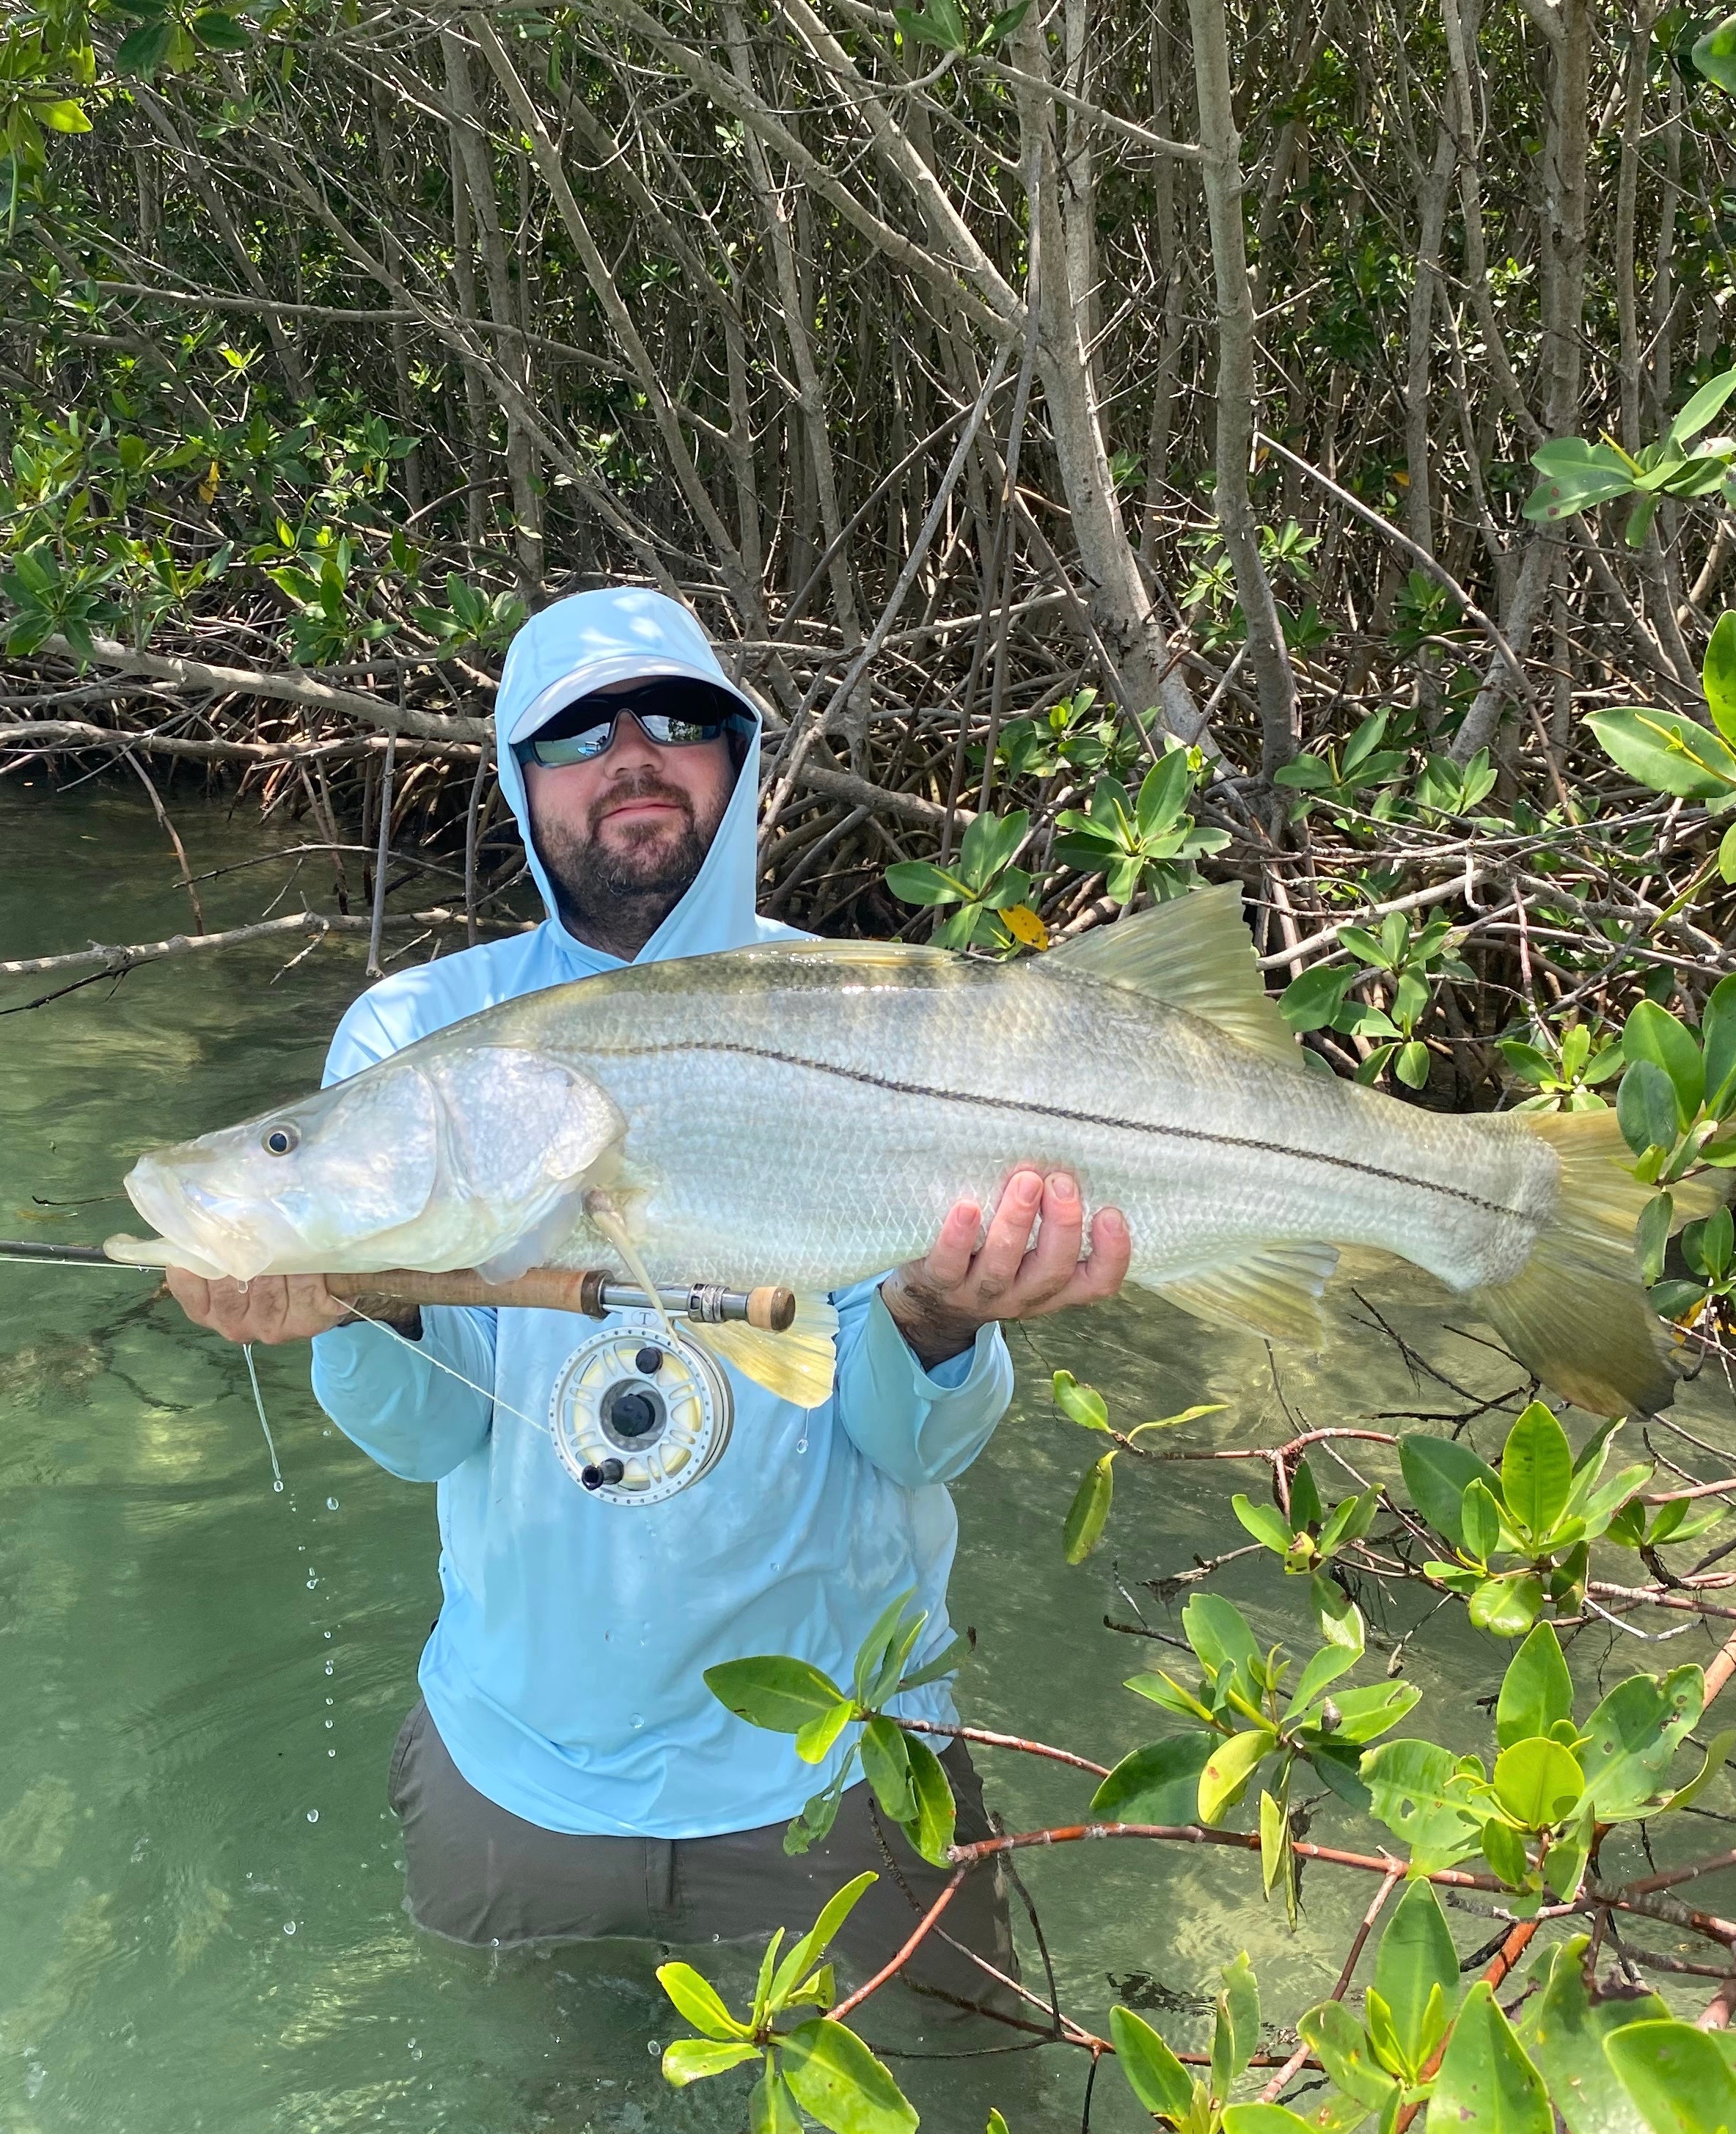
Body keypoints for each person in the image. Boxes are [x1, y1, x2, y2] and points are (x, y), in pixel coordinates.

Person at [166, 588, 1129, 1995]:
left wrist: (940, 1314)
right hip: (521, 1772)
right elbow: (425, 1441)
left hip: (844, 1768)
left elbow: (919, 1446)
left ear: (735, 760)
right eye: (575, 730)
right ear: (517, 774)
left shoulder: (884, 1008)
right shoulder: (418, 1034)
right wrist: (362, 1303)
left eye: (678, 719)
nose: (631, 752)